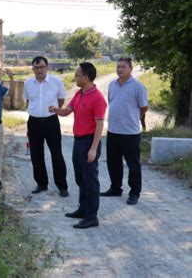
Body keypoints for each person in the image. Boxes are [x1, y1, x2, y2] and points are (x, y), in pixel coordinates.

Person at [50, 62, 107, 229]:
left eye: (77, 75)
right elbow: (68, 110)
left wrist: (94, 149)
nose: (75, 78)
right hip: (78, 141)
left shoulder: (98, 98)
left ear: (86, 77)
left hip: (89, 142)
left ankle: (92, 217)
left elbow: (99, 125)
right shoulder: (79, 93)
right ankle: (82, 209)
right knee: (80, 178)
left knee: (91, 181)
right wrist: (56, 110)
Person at [101, 57, 148, 205]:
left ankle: (134, 192)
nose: (120, 69)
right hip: (113, 131)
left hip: (130, 133)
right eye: (118, 67)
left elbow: (143, 107)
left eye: (123, 67)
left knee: (133, 164)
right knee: (113, 162)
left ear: (130, 69)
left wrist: (135, 117)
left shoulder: (138, 86)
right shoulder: (112, 85)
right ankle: (115, 188)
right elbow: (111, 102)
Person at [23, 56, 68, 197]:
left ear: (47, 67)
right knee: (36, 154)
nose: (39, 70)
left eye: (42, 67)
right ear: (33, 69)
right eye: (36, 67)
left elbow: (61, 100)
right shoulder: (28, 83)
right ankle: (41, 184)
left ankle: (62, 186)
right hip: (34, 122)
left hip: (51, 122)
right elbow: (28, 101)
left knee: (56, 154)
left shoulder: (56, 81)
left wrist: (55, 109)